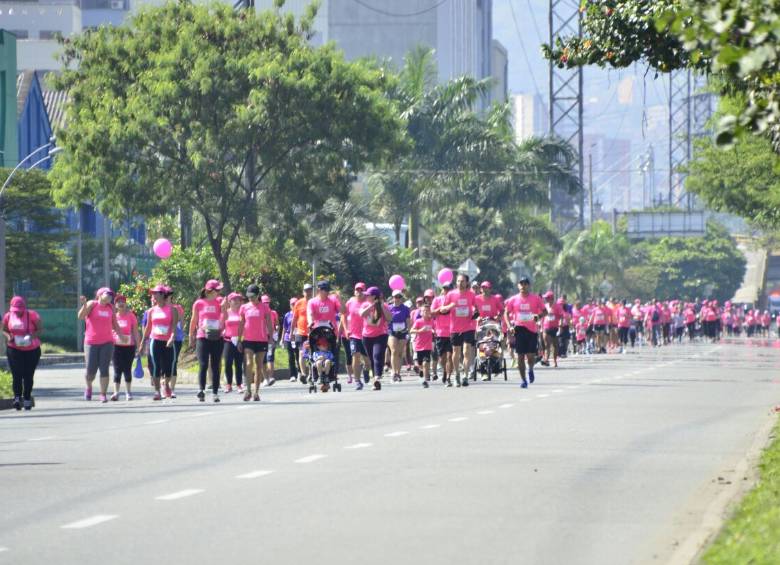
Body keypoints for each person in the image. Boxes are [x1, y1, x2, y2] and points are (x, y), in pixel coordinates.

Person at [78, 287, 121, 402]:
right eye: (108, 294)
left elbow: (115, 324)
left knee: (104, 369)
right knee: (90, 371)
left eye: (111, 295)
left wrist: (121, 336)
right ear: (100, 294)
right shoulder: (92, 304)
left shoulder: (111, 308)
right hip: (91, 342)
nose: (110, 296)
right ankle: (89, 387)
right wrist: (84, 305)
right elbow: (81, 317)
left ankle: (103, 394)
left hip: (107, 342)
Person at [138, 285, 179, 400]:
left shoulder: (172, 310)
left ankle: (166, 384)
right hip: (155, 340)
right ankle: (157, 392)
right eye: (153, 293)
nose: (153, 296)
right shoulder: (151, 311)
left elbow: (174, 327)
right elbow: (148, 328)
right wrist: (142, 342)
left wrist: (172, 337)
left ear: (162, 294)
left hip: (168, 342)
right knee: (156, 366)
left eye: (155, 293)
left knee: (169, 367)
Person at [504, 277, 545, 389]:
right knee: (520, 356)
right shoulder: (513, 299)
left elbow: (544, 311)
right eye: (521, 284)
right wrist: (510, 326)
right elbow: (506, 313)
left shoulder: (536, 298)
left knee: (530, 356)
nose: (523, 286)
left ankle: (530, 369)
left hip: (532, 330)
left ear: (529, 286)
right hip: (519, 329)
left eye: (525, 284)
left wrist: (538, 316)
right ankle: (523, 380)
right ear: (518, 286)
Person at [3, 296, 42, 410]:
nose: (18, 313)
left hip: (32, 350)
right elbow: (4, 330)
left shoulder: (32, 315)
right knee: (17, 374)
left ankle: (27, 398)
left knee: (28, 375)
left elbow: (40, 330)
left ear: (24, 308)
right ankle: (16, 397)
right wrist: (9, 336)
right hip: (14, 349)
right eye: (16, 311)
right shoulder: (8, 316)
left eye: (20, 311)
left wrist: (30, 336)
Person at [190, 279, 225, 402]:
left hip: (217, 336)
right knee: (203, 364)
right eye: (217, 290)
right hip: (202, 336)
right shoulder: (199, 303)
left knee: (216, 365)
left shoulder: (220, 302)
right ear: (210, 291)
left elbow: (224, 317)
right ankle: (201, 390)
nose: (219, 292)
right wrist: (191, 335)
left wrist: (224, 309)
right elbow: (194, 320)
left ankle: (215, 393)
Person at [238, 284, 273, 402]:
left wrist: (271, 337)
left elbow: (269, 323)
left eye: (253, 296)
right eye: (248, 296)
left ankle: (256, 392)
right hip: (248, 339)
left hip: (261, 339)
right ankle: (248, 389)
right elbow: (241, 323)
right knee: (248, 363)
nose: (250, 298)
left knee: (258, 366)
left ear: (258, 295)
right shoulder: (244, 307)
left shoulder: (264, 307)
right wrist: (239, 339)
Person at [445, 273, 478, 387]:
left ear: (467, 282)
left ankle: (465, 375)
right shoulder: (450, 294)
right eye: (458, 281)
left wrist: (474, 311)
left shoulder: (471, 295)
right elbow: (443, 309)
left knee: (466, 350)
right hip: (455, 327)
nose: (460, 283)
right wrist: (450, 307)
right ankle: (457, 375)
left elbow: (475, 307)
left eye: (462, 281)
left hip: (469, 326)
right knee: (456, 352)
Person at [360, 286, 391, 390]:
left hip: (381, 335)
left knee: (377, 355)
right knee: (372, 359)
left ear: (374, 296)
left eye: (368, 295)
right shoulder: (365, 304)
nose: (365, 296)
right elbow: (362, 314)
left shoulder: (384, 305)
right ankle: (375, 380)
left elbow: (389, 318)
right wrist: (372, 305)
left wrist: (381, 306)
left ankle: (377, 377)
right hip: (367, 336)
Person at [111, 295, 140, 401]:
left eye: (123, 301)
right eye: (118, 302)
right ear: (115, 305)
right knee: (117, 370)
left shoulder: (131, 316)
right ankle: (116, 393)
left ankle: (128, 392)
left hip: (129, 347)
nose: (121, 303)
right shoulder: (113, 316)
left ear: (126, 304)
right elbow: (108, 330)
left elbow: (136, 332)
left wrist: (139, 345)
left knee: (127, 369)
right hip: (116, 347)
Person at [343, 282, 370, 390]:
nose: (359, 292)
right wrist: (346, 330)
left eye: (361, 290)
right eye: (357, 290)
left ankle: (366, 369)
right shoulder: (350, 302)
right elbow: (343, 316)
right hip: (354, 335)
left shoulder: (368, 303)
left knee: (368, 362)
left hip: (366, 334)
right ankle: (358, 381)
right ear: (354, 291)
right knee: (355, 355)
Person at [431, 283, 454, 386]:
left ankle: (449, 377)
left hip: (452, 331)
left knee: (450, 356)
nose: (447, 290)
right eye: (445, 289)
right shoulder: (437, 300)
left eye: (448, 289)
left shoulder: (454, 301)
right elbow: (431, 313)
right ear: (442, 289)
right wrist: (439, 310)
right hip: (440, 332)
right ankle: (445, 371)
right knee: (442, 358)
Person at [222, 292, 244, 394]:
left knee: (238, 363)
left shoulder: (242, 313)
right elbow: (221, 324)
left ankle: (239, 384)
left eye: (238, 300)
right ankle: (229, 384)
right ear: (229, 302)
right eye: (234, 300)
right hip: (228, 340)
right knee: (227, 363)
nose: (236, 302)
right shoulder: (226, 312)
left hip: (240, 340)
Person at [290, 283, 313, 381]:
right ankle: (303, 373)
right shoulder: (299, 303)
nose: (308, 292)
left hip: (312, 332)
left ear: (312, 291)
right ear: (303, 292)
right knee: (301, 353)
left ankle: (311, 374)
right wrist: (291, 332)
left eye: (309, 290)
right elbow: (294, 319)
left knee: (312, 354)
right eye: (306, 290)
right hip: (300, 332)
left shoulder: (314, 302)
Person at [387, 289, 410, 382]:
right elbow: (386, 319)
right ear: (393, 298)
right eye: (395, 297)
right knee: (394, 351)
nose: (397, 299)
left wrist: (408, 330)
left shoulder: (405, 308)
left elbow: (408, 321)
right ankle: (394, 372)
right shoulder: (389, 308)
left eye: (399, 297)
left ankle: (398, 373)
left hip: (403, 332)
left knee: (400, 353)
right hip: (392, 332)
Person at [410, 303, 434, 388]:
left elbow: (435, 329)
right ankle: (421, 372)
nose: (426, 312)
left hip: (428, 346)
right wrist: (420, 330)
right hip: (419, 346)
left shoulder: (432, 321)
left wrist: (435, 331)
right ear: (421, 313)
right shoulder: (418, 321)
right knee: (420, 364)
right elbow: (411, 331)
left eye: (427, 311)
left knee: (426, 362)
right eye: (424, 311)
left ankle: (425, 380)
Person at [541, 291, 563, 368]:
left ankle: (555, 360)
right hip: (546, 327)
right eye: (545, 298)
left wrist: (560, 327)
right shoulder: (545, 306)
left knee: (555, 346)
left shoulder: (557, 307)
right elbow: (542, 316)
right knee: (547, 345)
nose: (546, 299)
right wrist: (540, 326)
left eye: (547, 298)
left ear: (551, 299)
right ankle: (546, 359)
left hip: (555, 328)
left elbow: (561, 317)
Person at [263, 295, 280, 385]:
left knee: (270, 357)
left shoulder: (273, 313)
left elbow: (277, 324)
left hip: (270, 337)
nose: (266, 304)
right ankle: (265, 378)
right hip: (261, 337)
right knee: (263, 358)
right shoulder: (259, 312)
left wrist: (276, 332)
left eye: (268, 302)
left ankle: (270, 377)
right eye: (265, 303)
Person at [283, 298, 299, 382]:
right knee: (290, 357)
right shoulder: (287, 315)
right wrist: (282, 339)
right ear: (290, 305)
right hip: (288, 337)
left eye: (295, 304)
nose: (294, 305)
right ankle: (293, 375)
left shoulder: (300, 314)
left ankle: (300, 373)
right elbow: (285, 328)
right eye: (292, 304)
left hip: (298, 336)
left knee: (298, 355)